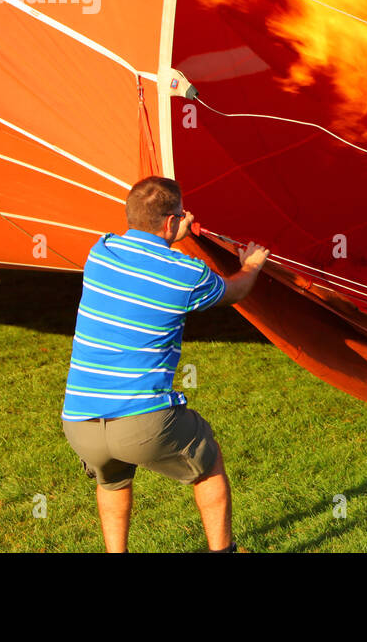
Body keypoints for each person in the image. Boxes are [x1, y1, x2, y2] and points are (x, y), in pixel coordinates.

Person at [61, 176, 270, 552]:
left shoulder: (101, 251)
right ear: (171, 223)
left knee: (112, 481)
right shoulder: (187, 275)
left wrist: (174, 229)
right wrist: (251, 265)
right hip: (143, 423)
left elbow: (149, 251)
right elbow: (233, 291)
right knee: (207, 464)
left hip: (80, 422)